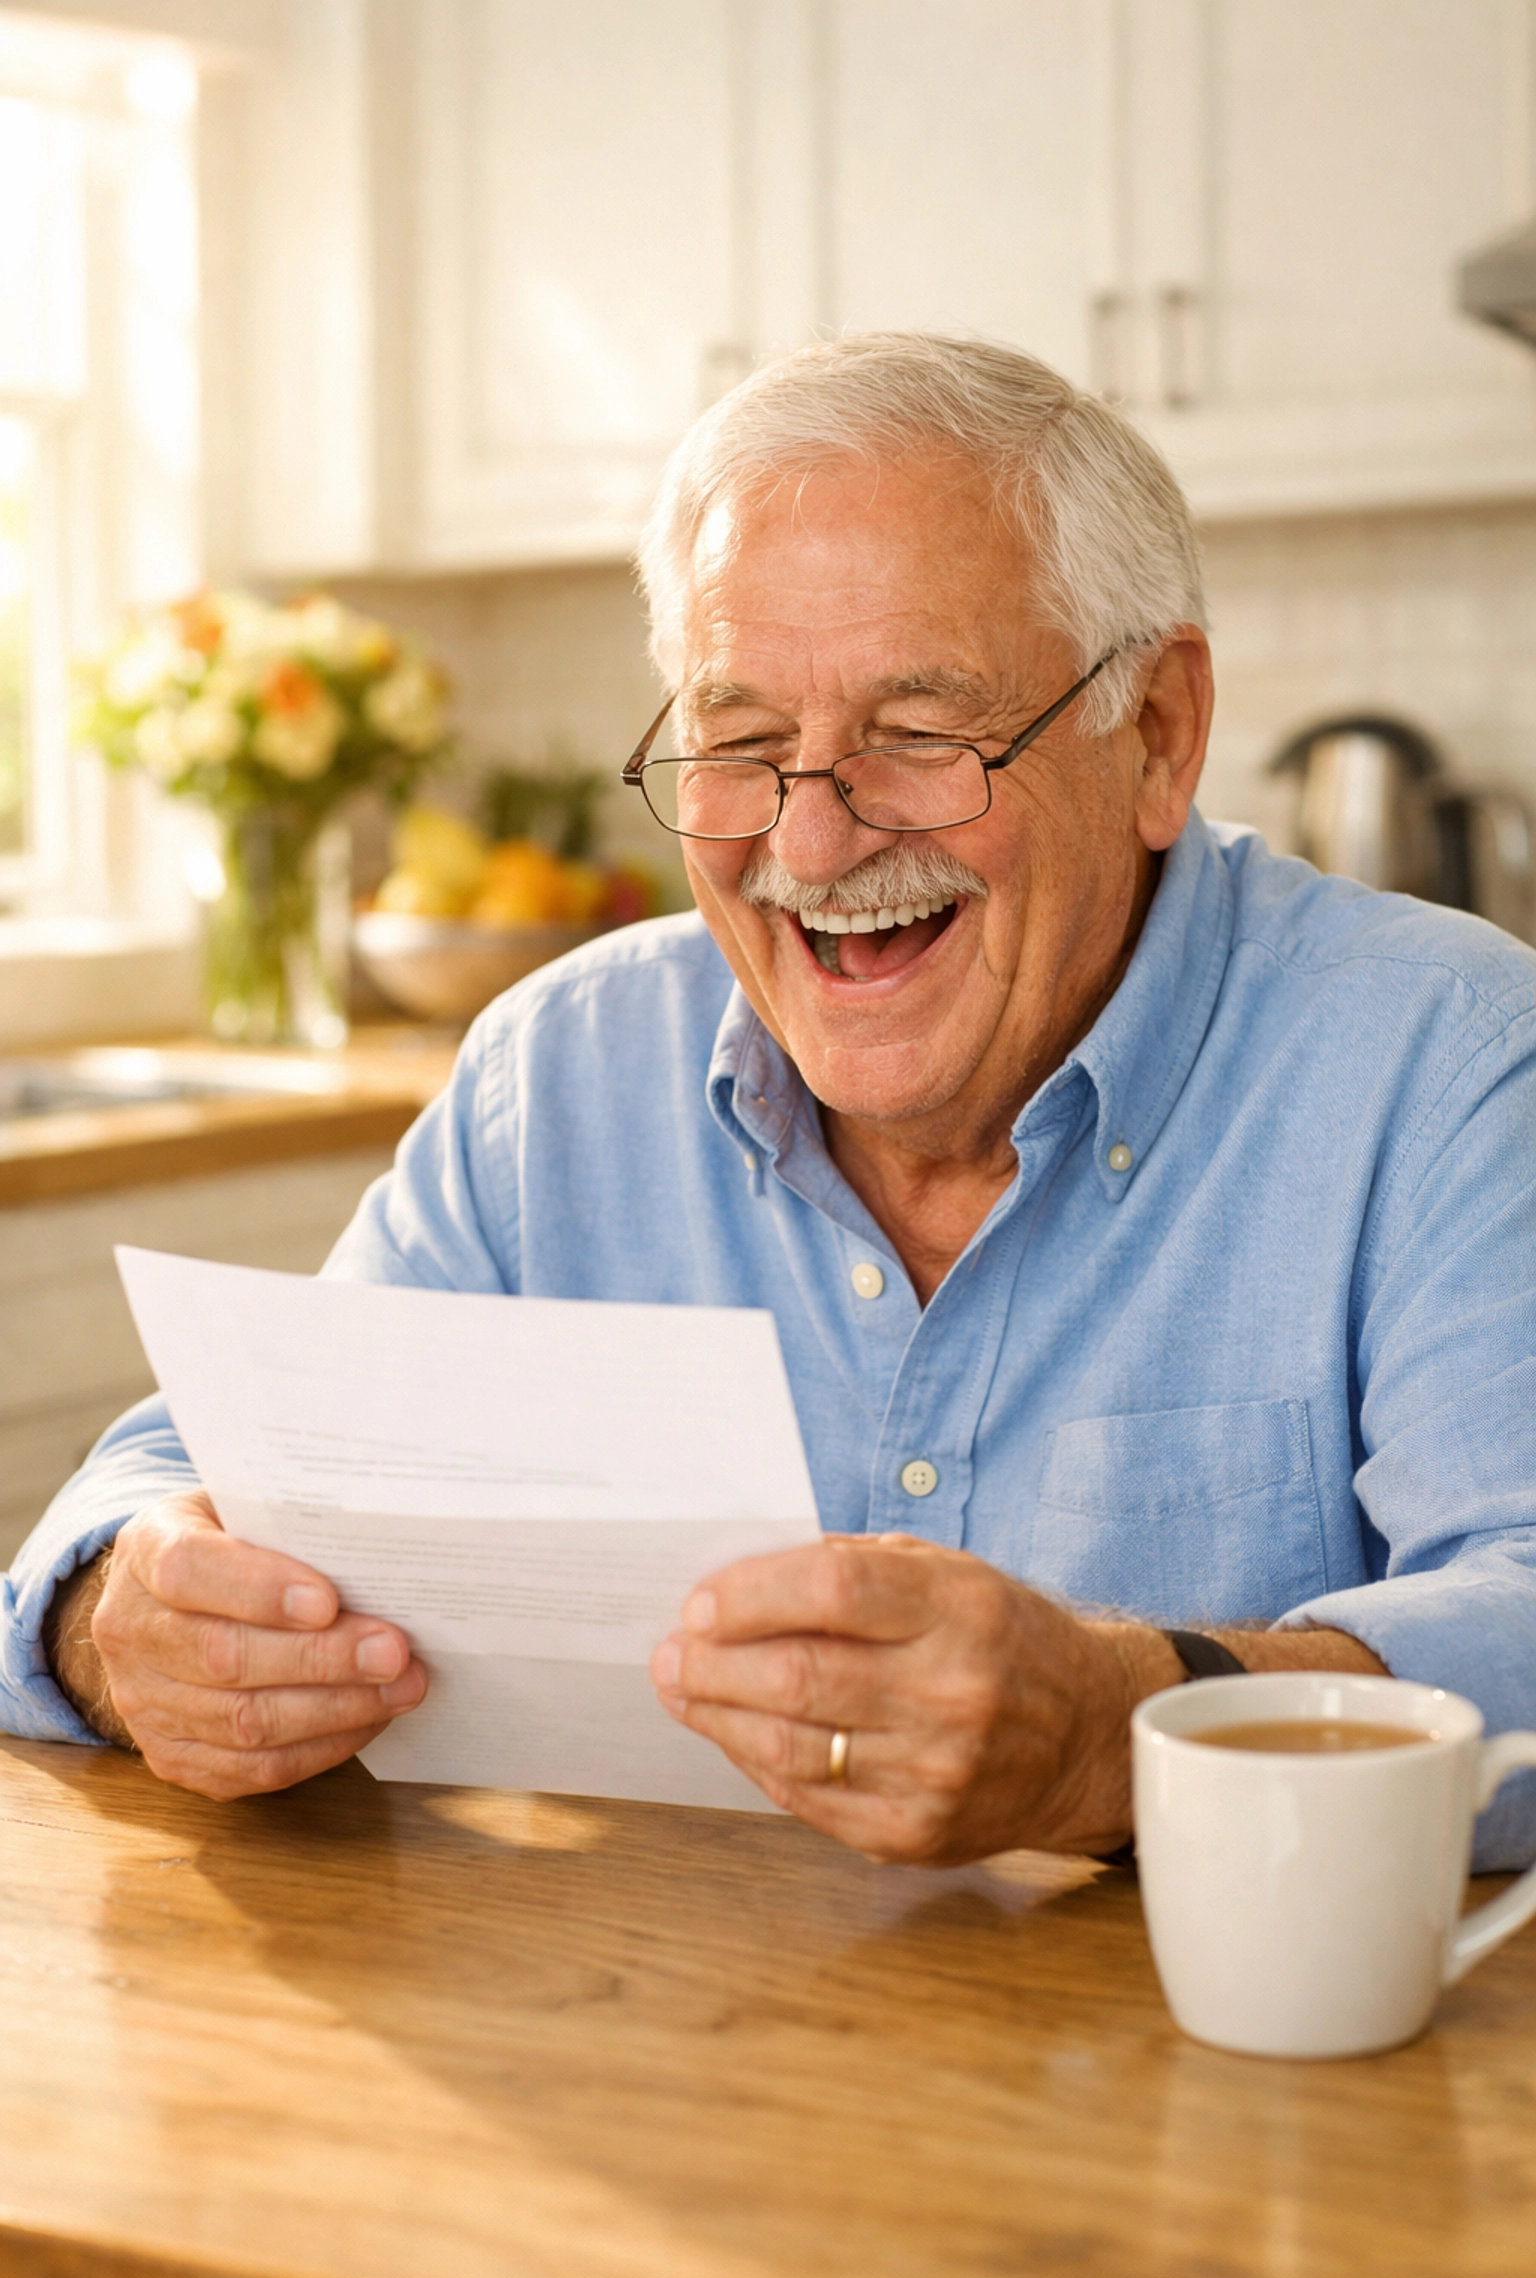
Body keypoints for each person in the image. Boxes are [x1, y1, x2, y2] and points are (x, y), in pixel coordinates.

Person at [12, 334, 1536, 1867]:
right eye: (741, 745)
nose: (809, 848)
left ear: (1157, 733)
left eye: (921, 732)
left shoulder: (1445, 1059)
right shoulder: (557, 1077)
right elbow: (210, 1470)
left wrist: (1123, 1729)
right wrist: (120, 1615)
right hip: (658, 2051)